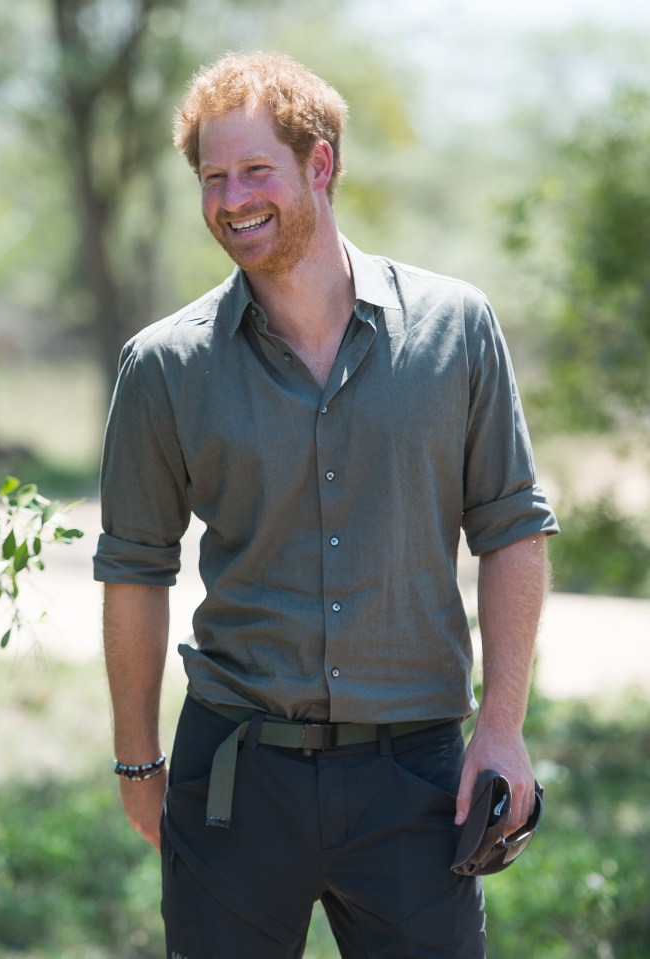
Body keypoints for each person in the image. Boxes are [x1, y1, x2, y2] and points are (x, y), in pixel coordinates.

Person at [93, 51, 559, 959]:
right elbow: (133, 569)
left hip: (419, 784)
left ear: (321, 165)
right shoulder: (163, 366)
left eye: (255, 170)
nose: (232, 199)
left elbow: (512, 528)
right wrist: (138, 758)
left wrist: (501, 729)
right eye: (212, 178)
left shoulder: (456, 327)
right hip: (235, 774)